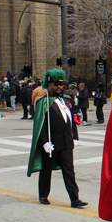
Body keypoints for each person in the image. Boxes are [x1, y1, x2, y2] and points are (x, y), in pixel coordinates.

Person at [27, 69, 88, 208]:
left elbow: (71, 120)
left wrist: (75, 136)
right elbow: (40, 125)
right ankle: (43, 194)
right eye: (55, 84)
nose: (59, 87)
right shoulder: (43, 102)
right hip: (51, 143)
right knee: (46, 170)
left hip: (66, 142)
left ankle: (74, 198)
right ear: (49, 85)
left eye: (60, 84)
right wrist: (44, 142)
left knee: (69, 171)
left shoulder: (66, 100)